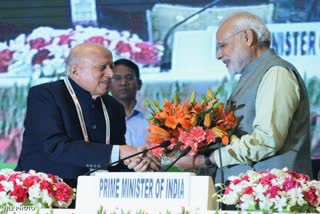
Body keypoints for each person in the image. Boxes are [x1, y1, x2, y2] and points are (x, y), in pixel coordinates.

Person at [173, 12, 313, 183]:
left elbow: (266, 140)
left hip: (272, 199)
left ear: (247, 37)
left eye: (222, 45)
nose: (218, 55)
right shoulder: (253, 74)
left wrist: (207, 160)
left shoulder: (275, 73)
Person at [15, 43, 160, 190]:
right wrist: (122, 152)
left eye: (111, 67)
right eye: (102, 68)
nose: (110, 74)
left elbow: (114, 160)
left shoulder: (114, 106)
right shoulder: (46, 95)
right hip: (43, 194)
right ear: (76, 71)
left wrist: (137, 162)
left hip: (97, 195)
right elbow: (54, 147)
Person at [110, 58, 149, 147]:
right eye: (117, 78)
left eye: (129, 78)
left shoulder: (154, 116)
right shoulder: (100, 116)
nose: (123, 83)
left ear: (139, 84)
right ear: (108, 84)